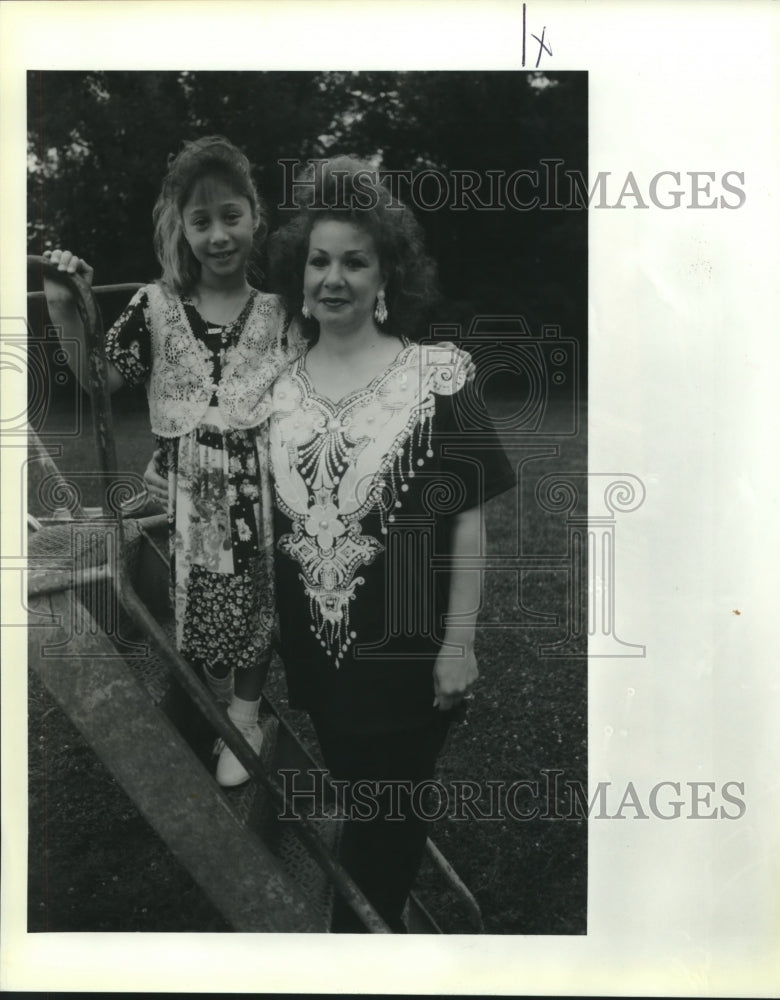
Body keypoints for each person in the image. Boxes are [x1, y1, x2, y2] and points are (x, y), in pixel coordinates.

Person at [264, 156, 516, 931]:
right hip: (319, 658)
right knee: (370, 805)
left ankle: (355, 948)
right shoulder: (272, 388)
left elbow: (468, 517)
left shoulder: (436, 375)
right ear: (299, 273)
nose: (332, 278)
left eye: (354, 262)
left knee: (386, 817)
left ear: (385, 279)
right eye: (319, 260)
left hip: (412, 657)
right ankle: (382, 938)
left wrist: (459, 644)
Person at [42, 136, 304, 788]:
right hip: (187, 493)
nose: (219, 235)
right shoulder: (153, 307)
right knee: (192, 607)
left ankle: (245, 715)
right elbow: (99, 382)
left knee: (258, 605)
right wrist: (61, 309)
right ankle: (200, 704)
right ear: (181, 228)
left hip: (261, 492)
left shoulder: (279, 315)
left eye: (231, 216)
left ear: (254, 216)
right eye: (201, 220)